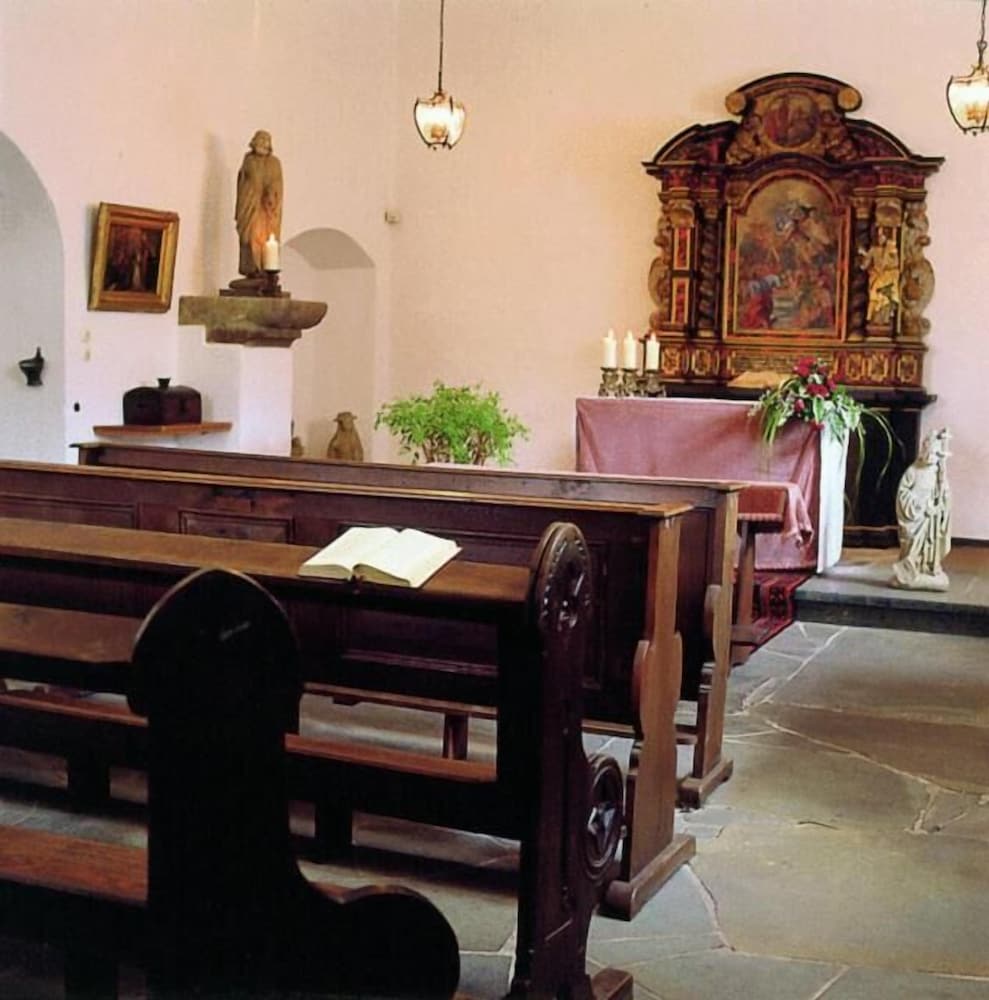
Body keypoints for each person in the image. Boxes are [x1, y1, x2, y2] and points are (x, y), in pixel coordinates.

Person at [891, 428, 951, 591]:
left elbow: (945, 493)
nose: (931, 456)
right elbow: (902, 493)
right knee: (911, 541)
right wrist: (921, 505)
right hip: (916, 517)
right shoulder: (913, 471)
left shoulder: (938, 473)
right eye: (929, 451)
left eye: (935, 453)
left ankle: (928, 566)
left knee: (932, 542)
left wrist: (942, 500)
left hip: (931, 518)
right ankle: (910, 569)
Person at [235, 130, 283, 278]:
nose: (262, 143)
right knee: (249, 237)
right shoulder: (248, 160)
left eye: (265, 140)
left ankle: (264, 268)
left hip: (265, 210)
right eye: (260, 140)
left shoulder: (274, 163)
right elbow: (244, 182)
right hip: (249, 207)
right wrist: (250, 195)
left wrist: (271, 193)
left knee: (265, 239)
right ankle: (251, 268)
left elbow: (276, 183)